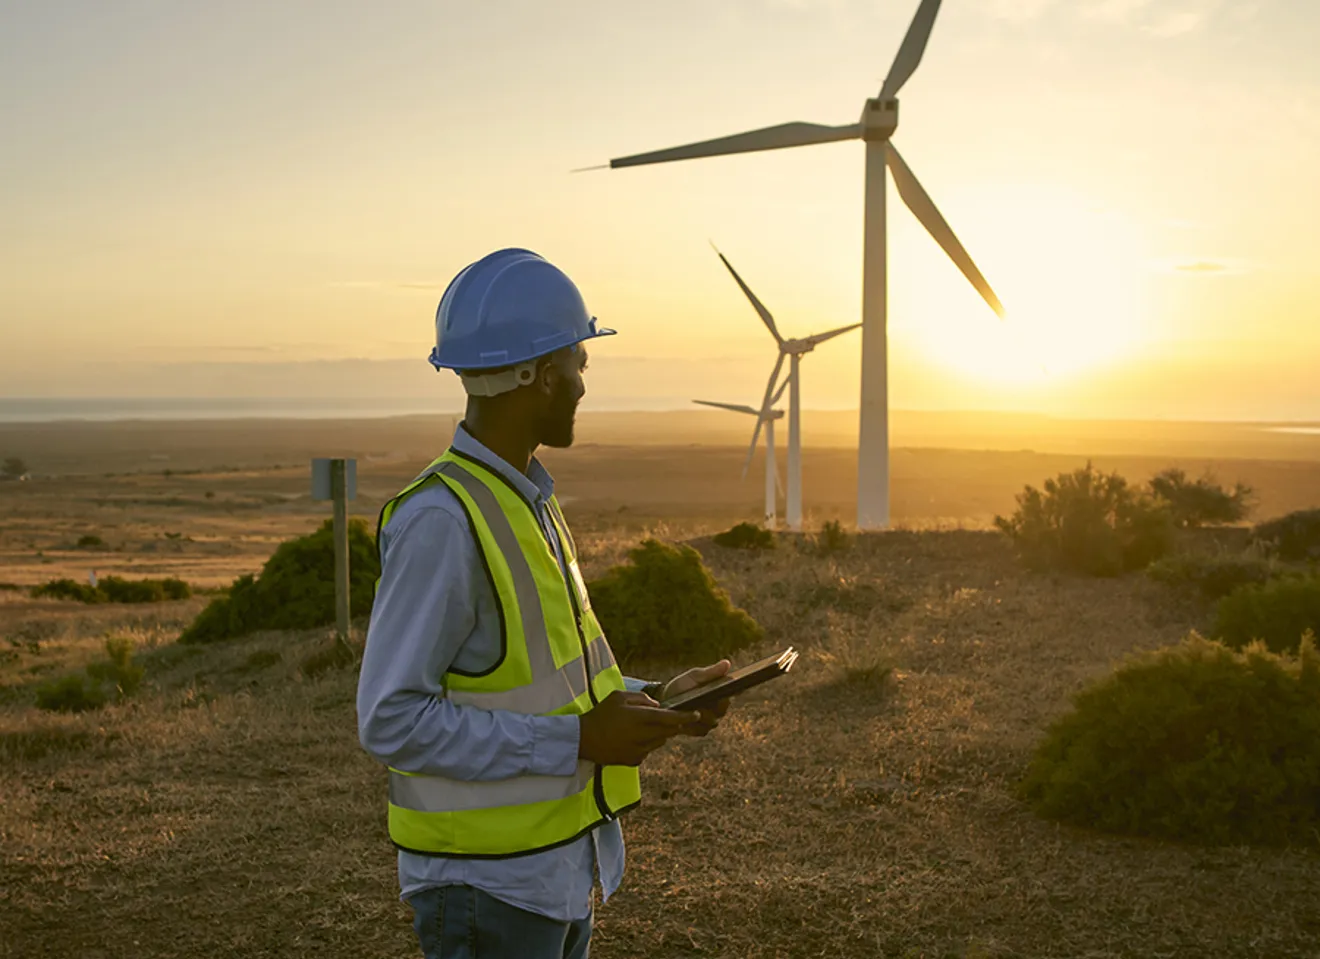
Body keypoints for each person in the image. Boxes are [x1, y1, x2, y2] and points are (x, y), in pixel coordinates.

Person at [357, 248, 733, 959]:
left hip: (553, 870)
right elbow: (389, 720)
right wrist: (579, 741)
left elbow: (550, 683)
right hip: (485, 892)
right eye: (577, 363)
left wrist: (656, 697)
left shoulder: (524, 500)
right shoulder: (444, 519)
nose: (583, 384)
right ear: (533, 373)